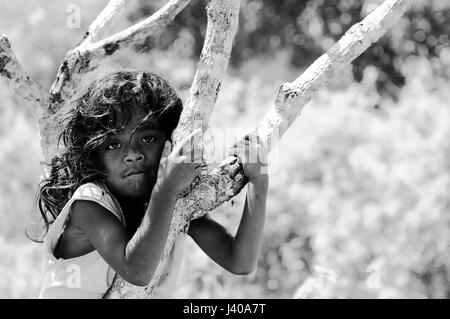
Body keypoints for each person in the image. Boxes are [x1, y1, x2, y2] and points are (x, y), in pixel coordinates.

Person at [36, 70, 268, 298]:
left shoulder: (174, 203)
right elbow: (136, 271)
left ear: (171, 143)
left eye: (148, 139)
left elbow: (240, 262)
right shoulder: (90, 204)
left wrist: (259, 182)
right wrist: (165, 188)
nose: (133, 154)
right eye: (114, 145)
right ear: (94, 157)